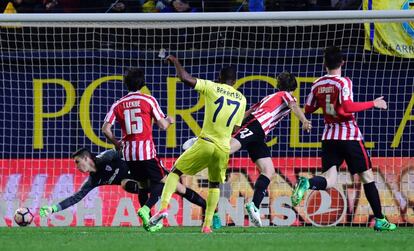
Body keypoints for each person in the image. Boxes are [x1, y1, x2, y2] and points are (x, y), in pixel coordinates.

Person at [290, 46, 396, 231]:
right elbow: (346, 107)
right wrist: (374, 103)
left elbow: (308, 109)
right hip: (348, 135)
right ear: (342, 62)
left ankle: (308, 183)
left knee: (330, 180)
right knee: (367, 176)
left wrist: (326, 104)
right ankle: (380, 220)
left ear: (324, 64)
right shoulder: (343, 82)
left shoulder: (317, 83)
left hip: (329, 135)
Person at [102, 68, 210, 231]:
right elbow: (163, 125)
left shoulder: (118, 104)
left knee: (143, 186)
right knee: (166, 182)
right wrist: (170, 120)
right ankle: (146, 210)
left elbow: (105, 129)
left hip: (129, 154)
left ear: (126, 84)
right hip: (146, 152)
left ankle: (147, 223)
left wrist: (117, 143)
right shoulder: (148, 100)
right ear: (143, 83)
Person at [149, 55, 246, 233]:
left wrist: (175, 60)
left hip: (206, 142)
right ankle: (207, 225)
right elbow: (236, 129)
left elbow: (185, 78)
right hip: (223, 148)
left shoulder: (212, 86)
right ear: (235, 81)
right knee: (214, 185)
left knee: (175, 172)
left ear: (219, 77)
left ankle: (163, 207)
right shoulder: (241, 99)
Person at [39, 148, 208, 231]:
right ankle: (148, 219)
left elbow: (117, 150)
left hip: (145, 166)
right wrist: (53, 208)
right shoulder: (93, 180)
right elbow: (76, 197)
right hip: (137, 181)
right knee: (129, 184)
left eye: (77, 162)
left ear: (86, 158)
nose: (77, 167)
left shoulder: (105, 158)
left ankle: (208, 209)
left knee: (179, 188)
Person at [230, 71, 311, 226]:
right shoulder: (286, 95)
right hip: (256, 126)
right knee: (227, 149)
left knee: (269, 170)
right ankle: (201, 143)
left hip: (259, 134)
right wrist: (304, 120)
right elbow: (293, 106)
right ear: (293, 88)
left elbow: (249, 111)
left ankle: (254, 205)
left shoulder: (268, 97)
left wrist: (236, 126)